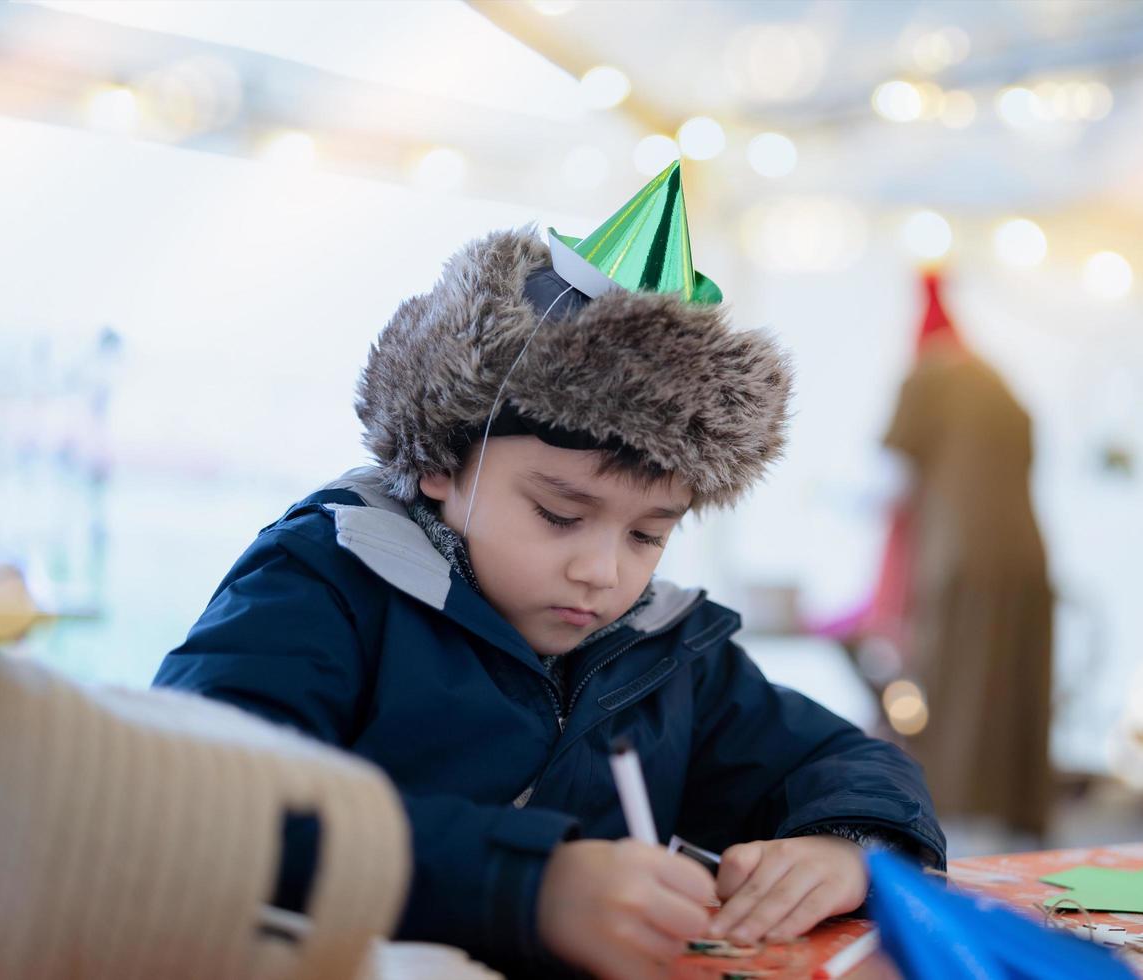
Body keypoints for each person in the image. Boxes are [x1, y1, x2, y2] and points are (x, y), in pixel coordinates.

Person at [154, 162, 945, 980]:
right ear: (442, 456)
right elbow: (204, 801)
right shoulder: (326, 582)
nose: (602, 572)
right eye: (560, 515)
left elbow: (848, 761)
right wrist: (528, 883)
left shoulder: (663, 652)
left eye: (648, 535)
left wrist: (848, 845)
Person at [881, 272, 1053, 844]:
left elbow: (894, 472)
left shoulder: (927, 374)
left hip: (963, 555)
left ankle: (951, 827)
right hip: (1027, 553)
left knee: (958, 690)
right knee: (1016, 687)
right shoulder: (997, 378)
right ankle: (1014, 817)